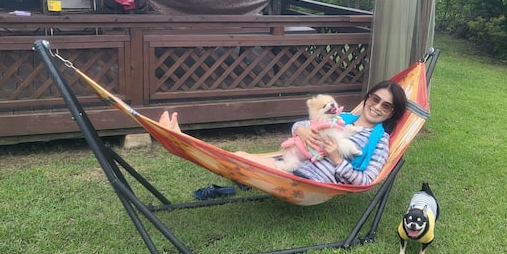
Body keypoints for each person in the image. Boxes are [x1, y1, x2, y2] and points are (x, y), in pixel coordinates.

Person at [158, 80, 407, 185]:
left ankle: (182, 141)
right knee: (240, 156)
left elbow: (367, 180)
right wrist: (302, 129)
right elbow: (301, 123)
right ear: (367, 98)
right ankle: (181, 140)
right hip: (293, 162)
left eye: (386, 106)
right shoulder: (342, 117)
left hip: (309, 181)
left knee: (240, 160)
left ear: (391, 113)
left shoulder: (380, 141)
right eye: (375, 99)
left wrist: (337, 159)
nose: (377, 107)